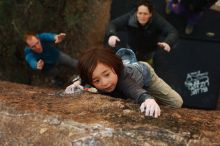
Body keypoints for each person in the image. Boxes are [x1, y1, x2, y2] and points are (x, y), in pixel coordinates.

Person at [65, 48, 183, 118]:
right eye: (97, 80)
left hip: (145, 75)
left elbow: (133, 89)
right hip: (127, 78)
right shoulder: (95, 78)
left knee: (176, 102)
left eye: (107, 75)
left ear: (114, 69)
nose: (105, 83)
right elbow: (85, 77)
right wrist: (76, 83)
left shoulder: (123, 78)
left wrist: (147, 98)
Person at [106, 0, 178, 64]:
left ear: (150, 14)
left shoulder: (157, 20)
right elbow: (113, 24)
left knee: (147, 65)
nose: (142, 16)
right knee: (130, 65)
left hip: (149, 50)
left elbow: (172, 32)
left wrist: (168, 42)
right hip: (132, 47)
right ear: (136, 13)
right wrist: (111, 34)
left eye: (145, 14)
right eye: (140, 13)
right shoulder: (129, 17)